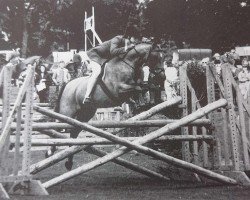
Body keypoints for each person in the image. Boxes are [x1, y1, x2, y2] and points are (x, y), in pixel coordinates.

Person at [82, 25, 141, 104]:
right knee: (97, 71)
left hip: (105, 58)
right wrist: (126, 48)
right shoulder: (117, 39)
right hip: (95, 55)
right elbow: (113, 51)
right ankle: (87, 96)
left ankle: (126, 96)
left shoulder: (127, 43)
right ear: (130, 36)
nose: (136, 41)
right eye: (135, 39)